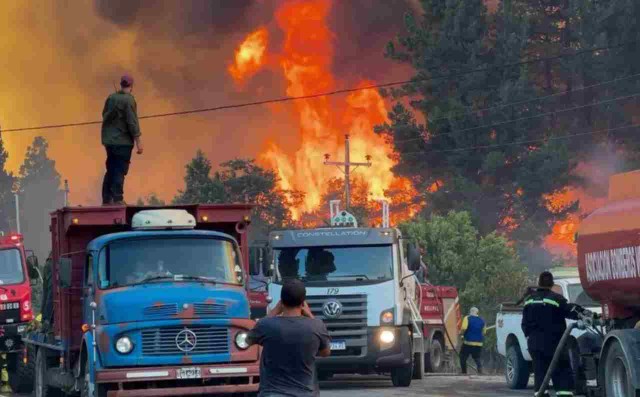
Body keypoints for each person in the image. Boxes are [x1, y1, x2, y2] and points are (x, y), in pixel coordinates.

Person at [247, 279, 331, 397]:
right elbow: (325, 352)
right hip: (306, 393)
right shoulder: (316, 325)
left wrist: (274, 311)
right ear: (303, 303)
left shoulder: (266, 325)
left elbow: (248, 340)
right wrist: (310, 314)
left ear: (281, 302)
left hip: (272, 393)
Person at [522, 271, 580, 397]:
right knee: (562, 373)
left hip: (535, 345)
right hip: (554, 344)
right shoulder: (556, 299)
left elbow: (524, 324)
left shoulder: (529, 300)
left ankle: (541, 394)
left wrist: (530, 338)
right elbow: (571, 311)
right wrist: (586, 314)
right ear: (552, 284)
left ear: (539, 283)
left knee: (540, 374)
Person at [101, 74, 143, 205]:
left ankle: (106, 199)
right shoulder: (129, 100)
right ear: (131, 86)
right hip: (123, 142)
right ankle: (118, 198)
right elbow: (132, 122)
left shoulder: (111, 98)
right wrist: (138, 141)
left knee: (111, 169)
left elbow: (104, 115)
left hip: (109, 142)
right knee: (120, 169)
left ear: (121, 84)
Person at [459, 306, 486, 375]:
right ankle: (480, 371)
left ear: (470, 312)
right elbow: (484, 332)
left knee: (462, 357)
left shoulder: (467, 318)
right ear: (477, 313)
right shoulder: (482, 320)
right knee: (477, 358)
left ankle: (464, 372)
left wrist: (461, 334)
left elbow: (464, 328)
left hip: (468, 343)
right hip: (478, 344)